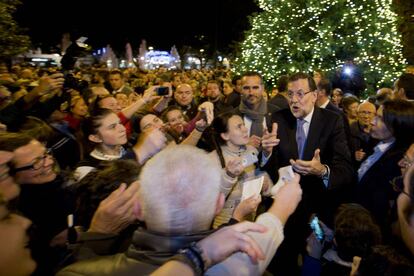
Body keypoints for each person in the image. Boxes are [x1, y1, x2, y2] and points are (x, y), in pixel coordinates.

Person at [58, 145, 303, 275]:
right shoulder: (236, 263)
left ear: (137, 208)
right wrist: (282, 204)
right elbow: (266, 233)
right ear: (219, 205)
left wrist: (95, 236)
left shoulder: (76, 272)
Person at [265, 72, 354, 275]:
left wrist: (321, 170)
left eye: (300, 93)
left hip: (318, 212)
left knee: (314, 264)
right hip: (285, 211)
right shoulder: (279, 118)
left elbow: (346, 171)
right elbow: (272, 166)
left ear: (314, 95)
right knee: (282, 265)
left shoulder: (333, 120)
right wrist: (266, 153)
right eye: (290, 94)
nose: (294, 100)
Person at [356, 100, 414, 239]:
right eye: (375, 115)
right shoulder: (376, 143)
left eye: (380, 119)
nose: (372, 121)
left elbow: (380, 208)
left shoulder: (400, 163)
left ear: (397, 126)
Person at [210, 111, 279, 227]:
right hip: (225, 227)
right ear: (225, 135)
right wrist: (229, 175)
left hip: (249, 222)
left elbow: (258, 173)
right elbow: (212, 202)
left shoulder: (251, 150)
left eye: (243, 125)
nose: (245, 129)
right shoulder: (212, 160)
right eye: (238, 127)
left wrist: (265, 183)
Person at [235, 71, 280, 150]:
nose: (251, 92)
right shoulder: (232, 116)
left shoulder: (277, 113)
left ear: (262, 88)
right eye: (246, 88)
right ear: (241, 90)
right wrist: (243, 147)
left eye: (255, 87)